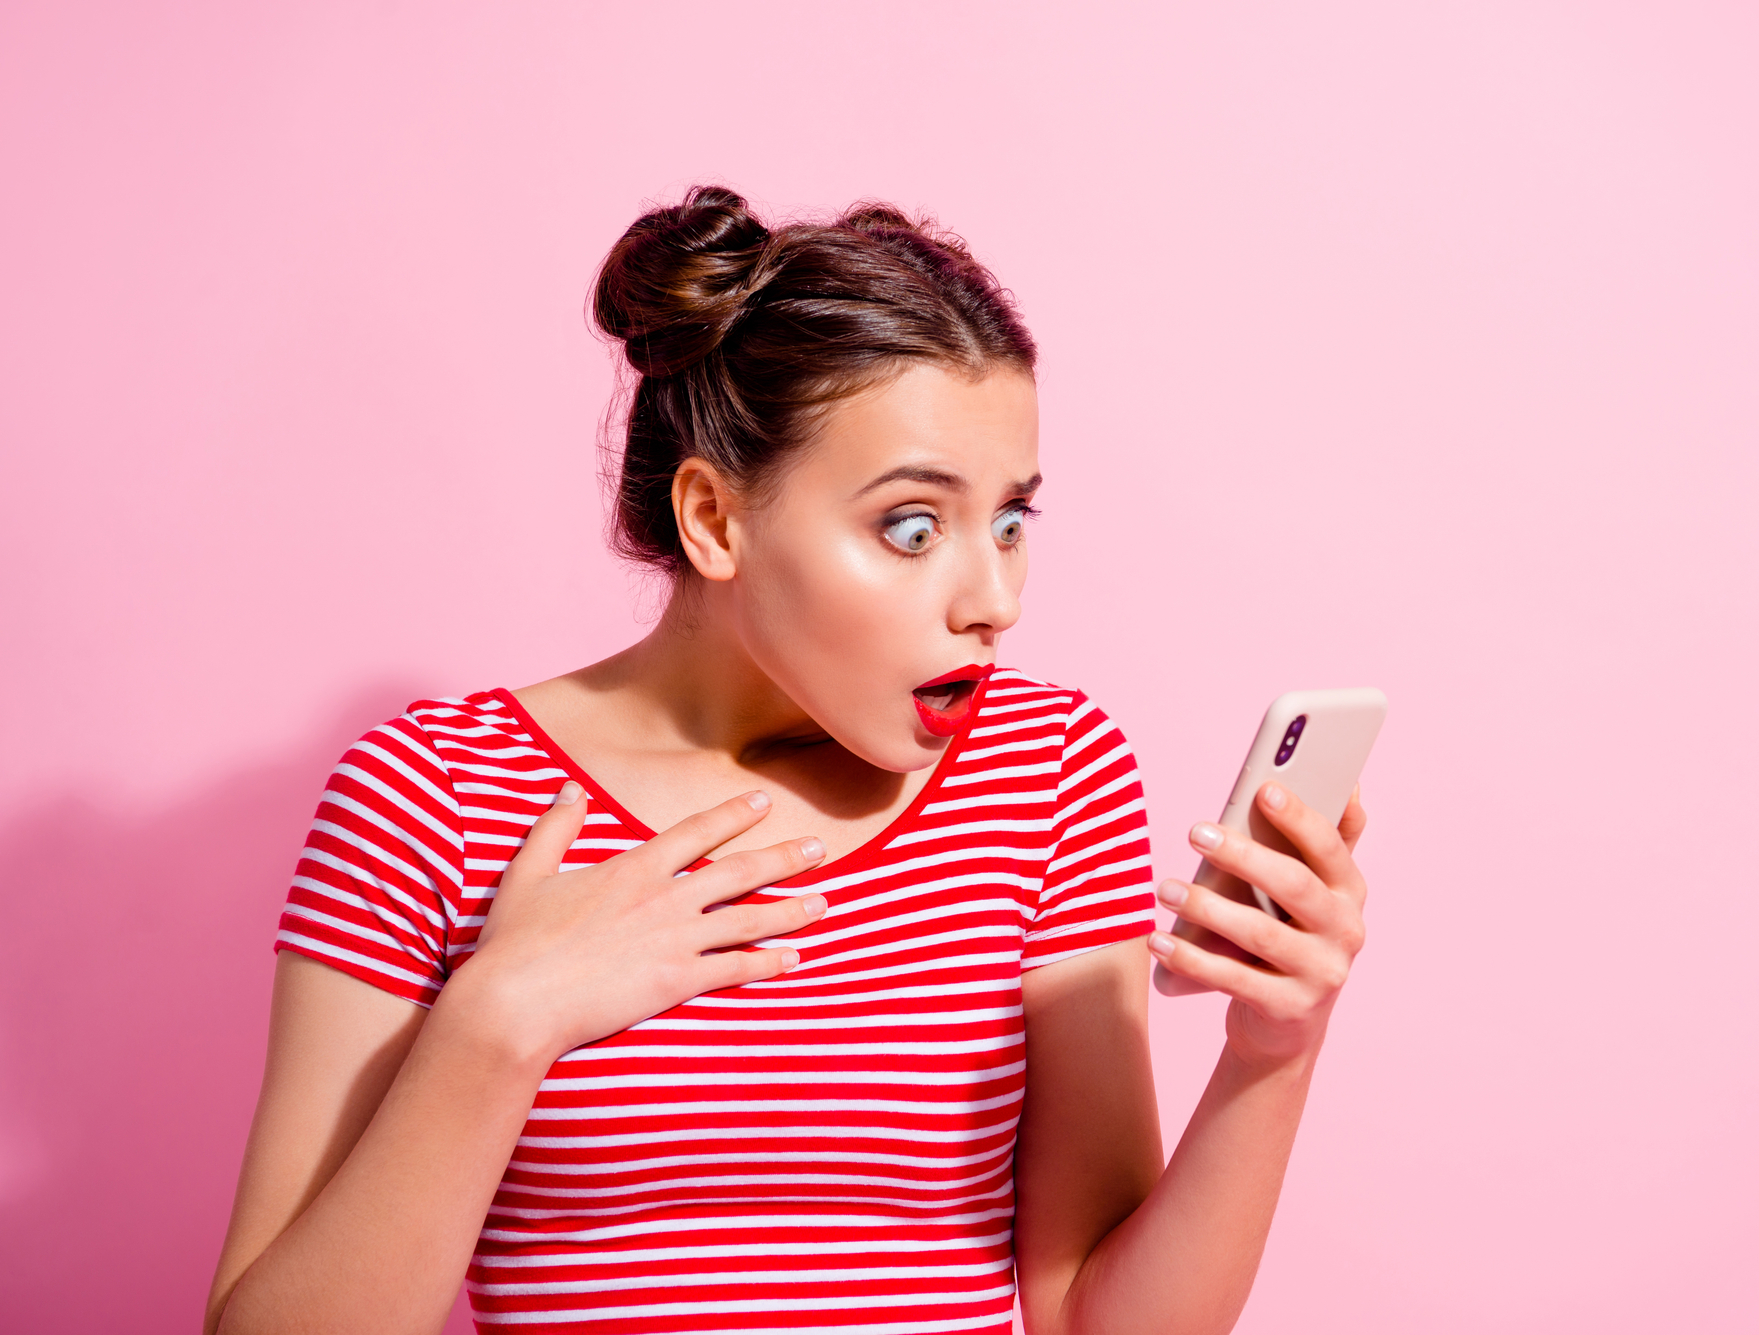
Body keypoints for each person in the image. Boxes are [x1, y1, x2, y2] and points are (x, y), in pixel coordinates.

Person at [204, 186, 1371, 1335]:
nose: (995, 598)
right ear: (715, 519)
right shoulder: (437, 794)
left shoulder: (1047, 770)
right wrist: (497, 1024)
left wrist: (1272, 1051)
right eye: (911, 528)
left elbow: (1091, 1322)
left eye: (1010, 521)